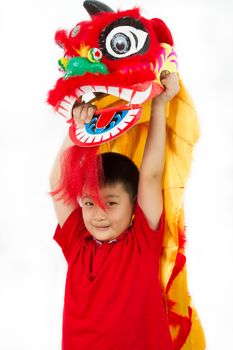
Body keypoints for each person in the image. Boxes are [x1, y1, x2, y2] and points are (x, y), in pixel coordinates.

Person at [50, 71, 180, 349]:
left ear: (134, 204)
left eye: (110, 202)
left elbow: (150, 176)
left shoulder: (141, 242)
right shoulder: (77, 242)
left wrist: (159, 105)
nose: (98, 214)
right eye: (88, 203)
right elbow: (58, 181)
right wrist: (77, 126)